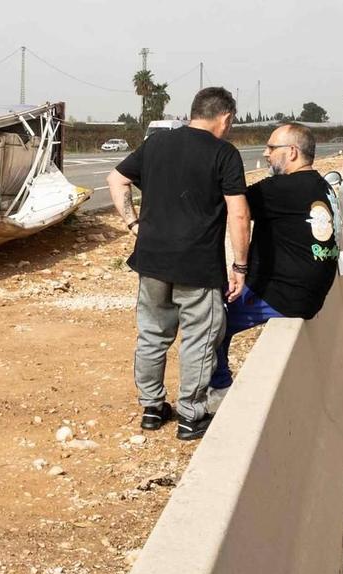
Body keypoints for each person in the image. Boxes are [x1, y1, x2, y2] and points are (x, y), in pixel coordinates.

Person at [106, 87, 251, 441]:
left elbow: (116, 180)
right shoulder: (225, 154)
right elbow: (238, 213)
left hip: (152, 261)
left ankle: (152, 409)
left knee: (153, 335)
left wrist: (133, 224)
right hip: (198, 266)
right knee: (199, 338)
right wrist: (240, 267)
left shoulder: (157, 143)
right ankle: (191, 415)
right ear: (226, 117)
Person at [209, 121, 340, 409]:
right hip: (310, 292)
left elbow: (233, 205)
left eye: (271, 148)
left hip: (285, 294)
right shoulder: (321, 184)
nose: (266, 154)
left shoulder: (282, 188)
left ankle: (218, 390)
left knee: (210, 322)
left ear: (291, 152)